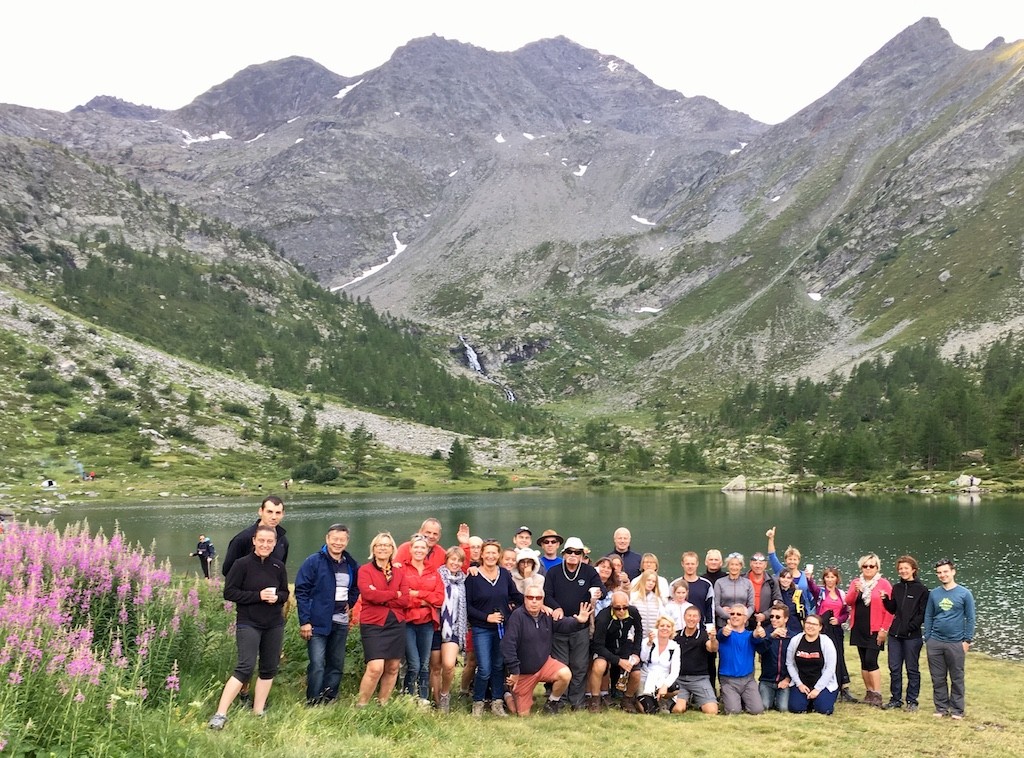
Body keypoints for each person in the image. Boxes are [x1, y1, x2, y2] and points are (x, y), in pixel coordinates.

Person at [207, 525, 289, 730]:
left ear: (274, 543)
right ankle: (220, 714)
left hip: (274, 623)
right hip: (249, 622)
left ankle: (258, 711)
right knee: (245, 666)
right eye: (261, 540)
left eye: (269, 541)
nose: (265, 545)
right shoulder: (241, 564)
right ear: (254, 541)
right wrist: (258, 596)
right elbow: (230, 593)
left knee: (269, 667)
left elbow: (285, 593)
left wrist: (277, 597)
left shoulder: (278, 566)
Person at [501, 577, 592, 716]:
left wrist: (577, 621)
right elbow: (508, 645)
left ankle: (552, 702)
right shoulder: (517, 616)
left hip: (544, 664)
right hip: (523, 672)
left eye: (538, 598)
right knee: (520, 714)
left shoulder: (547, 615)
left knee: (565, 674)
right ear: (524, 598)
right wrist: (514, 671)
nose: (534, 601)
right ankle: (507, 693)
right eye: (530, 597)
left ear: (542, 600)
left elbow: (562, 624)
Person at [294, 523, 360, 705]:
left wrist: (351, 602)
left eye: (342, 539)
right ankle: (313, 700)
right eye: (335, 539)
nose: (338, 543)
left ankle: (329, 698)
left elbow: (356, 587)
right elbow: (301, 591)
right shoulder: (314, 561)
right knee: (317, 664)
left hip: (341, 621)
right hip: (317, 622)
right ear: (327, 539)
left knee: (336, 663)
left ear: (347, 541)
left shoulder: (351, 564)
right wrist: (305, 621)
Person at [544, 537, 603, 710]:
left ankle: (577, 701)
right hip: (560, 626)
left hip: (581, 626)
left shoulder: (589, 572)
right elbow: (547, 594)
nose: (572, 555)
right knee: (561, 665)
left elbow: (602, 590)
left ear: (582, 555)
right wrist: (556, 607)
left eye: (577, 552)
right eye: (569, 552)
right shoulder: (554, 572)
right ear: (563, 554)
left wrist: (596, 594)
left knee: (579, 665)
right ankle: (559, 700)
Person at [465, 540, 523, 717]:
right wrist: (486, 617)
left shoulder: (504, 574)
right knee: (484, 668)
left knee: (498, 665)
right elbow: (467, 606)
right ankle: (478, 702)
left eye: (494, 553)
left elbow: (515, 596)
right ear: (481, 554)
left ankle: (497, 702)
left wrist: (533, 602)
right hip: (481, 628)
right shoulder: (473, 577)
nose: (490, 556)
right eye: (487, 553)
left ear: (499, 556)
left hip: (501, 628)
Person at [356, 532, 409, 707]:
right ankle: (361, 705)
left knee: (393, 666)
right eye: (379, 545)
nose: (383, 548)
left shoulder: (399, 571)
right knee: (375, 667)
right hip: (373, 623)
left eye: (387, 545)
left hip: (396, 623)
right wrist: (395, 594)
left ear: (392, 549)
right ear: (373, 548)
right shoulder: (365, 570)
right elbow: (369, 594)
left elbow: (405, 599)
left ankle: (383, 704)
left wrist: (382, 595)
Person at [924, 558, 975, 720]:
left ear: (953, 572)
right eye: (939, 573)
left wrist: (967, 640)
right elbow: (929, 616)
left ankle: (957, 710)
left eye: (945, 571)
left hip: (956, 642)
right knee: (938, 677)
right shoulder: (934, 594)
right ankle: (941, 708)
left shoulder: (964, 594)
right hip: (935, 642)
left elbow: (971, 618)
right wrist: (928, 637)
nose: (942, 575)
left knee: (957, 677)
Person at [844, 552, 894, 707]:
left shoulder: (884, 584)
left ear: (877, 568)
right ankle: (869, 692)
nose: (868, 568)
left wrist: (884, 629)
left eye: (871, 566)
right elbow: (849, 601)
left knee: (872, 660)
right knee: (864, 661)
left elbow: (890, 609)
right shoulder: (856, 583)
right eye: (865, 566)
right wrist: (855, 591)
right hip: (859, 627)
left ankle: (877, 693)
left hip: (875, 629)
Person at [882, 555, 929, 711]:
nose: (903, 571)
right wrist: (885, 601)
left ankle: (912, 700)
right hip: (895, 635)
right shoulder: (897, 588)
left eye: (906, 568)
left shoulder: (922, 590)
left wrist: (910, 626)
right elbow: (893, 609)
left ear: (913, 570)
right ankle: (895, 699)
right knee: (894, 668)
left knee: (912, 669)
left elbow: (922, 614)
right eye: (900, 569)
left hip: (912, 637)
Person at [401, 534, 444, 704]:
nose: (419, 550)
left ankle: (424, 698)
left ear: (427, 550)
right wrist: (426, 599)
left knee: (425, 664)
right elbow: (402, 597)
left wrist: (417, 594)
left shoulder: (433, 571)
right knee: (414, 664)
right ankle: (409, 697)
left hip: (427, 621)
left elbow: (440, 599)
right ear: (410, 549)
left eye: (423, 548)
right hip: (408, 621)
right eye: (416, 547)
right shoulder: (402, 570)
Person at [587, 590, 644, 712]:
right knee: (599, 665)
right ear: (612, 606)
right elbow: (598, 645)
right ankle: (595, 699)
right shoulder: (603, 617)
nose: (622, 611)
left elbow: (639, 632)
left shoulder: (633, 612)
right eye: (618, 608)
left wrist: (636, 653)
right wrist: (618, 661)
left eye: (625, 607)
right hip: (605, 646)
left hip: (624, 645)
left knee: (636, 673)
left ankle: (627, 700)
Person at [815, 566, 856, 703]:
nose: (830, 580)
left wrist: (839, 620)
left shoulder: (841, 594)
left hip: (836, 629)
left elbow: (846, 613)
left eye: (833, 577)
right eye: (827, 577)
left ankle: (843, 687)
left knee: (839, 656)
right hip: (823, 630)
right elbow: (811, 588)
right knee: (824, 657)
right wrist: (808, 578)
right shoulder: (821, 592)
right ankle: (823, 685)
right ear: (824, 579)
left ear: (837, 579)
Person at [716, 604, 766, 715]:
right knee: (734, 712)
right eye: (732, 614)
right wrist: (724, 631)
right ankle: (727, 697)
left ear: (745, 619)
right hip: (728, 681)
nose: (735, 616)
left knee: (757, 710)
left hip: (748, 680)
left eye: (739, 614)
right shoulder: (724, 633)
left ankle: (741, 699)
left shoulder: (749, 635)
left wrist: (758, 634)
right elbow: (721, 635)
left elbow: (755, 638)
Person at [221, 495, 288, 577]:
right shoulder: (242, 539)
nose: (274, 517)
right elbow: (228, 571)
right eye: (269, 512)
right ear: (260, 511)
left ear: (283, 514)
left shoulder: (283, 541)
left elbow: (280, 570)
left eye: (278, 513)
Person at [786, 614, 839, 715]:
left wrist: (817, 689)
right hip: (802, 683)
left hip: (823, 684)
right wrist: (799, 684)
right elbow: (789, 663)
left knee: (824, 710)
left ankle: (819, 699)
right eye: (808, 623)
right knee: (796, 708)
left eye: (814, 624)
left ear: (820, 627)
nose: (810, 626)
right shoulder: (795, 640)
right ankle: (807, 701)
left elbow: (830, 668)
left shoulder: (826, 642)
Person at [437, 546, 468, 713]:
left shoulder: (463, 581)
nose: (455, 563)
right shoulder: (437, 576)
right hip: (436, 626)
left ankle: (444, 695)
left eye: (459, 560)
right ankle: (429, 698)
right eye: (453, 559)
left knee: (448, 665)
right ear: (446, 559)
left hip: (454, 628)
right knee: (434, 666)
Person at [671, 605, 719, 715]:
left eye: (694, 616)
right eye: (689, 616)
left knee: (712, 711)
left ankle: (696, 699)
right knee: (678, 710)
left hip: (699, 679)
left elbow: (713, 648)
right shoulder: (676, 635)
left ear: (699, 619)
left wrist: (713, 639)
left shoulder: (703, 635)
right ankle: (686, 700)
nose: (691, 619)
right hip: (680, 679)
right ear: (684, 617)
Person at [766, 526, 816, 612]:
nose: (792, 562)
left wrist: (810, 580)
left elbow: (811, 595)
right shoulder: (780, 571)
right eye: (789, 559)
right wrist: (771, 539)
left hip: (801, 612)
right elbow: (772, 556)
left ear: (799, 561)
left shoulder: (804, 575)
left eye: (794, 559)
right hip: (782, 611)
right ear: (785, 560)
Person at [638, 616, 680, 712]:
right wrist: (649, 644)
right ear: (657, 628)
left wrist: (665, 686)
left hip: (663, 679)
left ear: (672, 629)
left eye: (668, 626)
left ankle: (663, 700)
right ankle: (644, 699)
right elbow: (643, 658)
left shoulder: (674, 647)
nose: (665, 628)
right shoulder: (647, 641)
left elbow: (675, 672)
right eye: (662, 626)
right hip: (646, 678)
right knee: (649, 710)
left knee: (674, 687)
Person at [756, 602, 793, 712]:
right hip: (767, 680)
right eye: (771, 616)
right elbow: (760, 649)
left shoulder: (793, 637)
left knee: (783, 708)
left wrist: (787, 679)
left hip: (784, 681)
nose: (773, 619)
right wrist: (771, 637)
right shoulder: (765, 633)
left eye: (778, 617)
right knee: (764, 706)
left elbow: (796, 662)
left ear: (786, 619)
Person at [714, 553, 754, 628]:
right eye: (731, 564)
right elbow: (716, 605)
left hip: (743, 625)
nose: (734, 567)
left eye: (737, 565)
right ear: (728, 566)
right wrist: (730, 616)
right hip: (724, 624)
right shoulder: (719, 582)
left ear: (741, 566)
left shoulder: (748, 583)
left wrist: (743, 617)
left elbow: (751, 606)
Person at [674, 551, 714, 627]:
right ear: (682, 564)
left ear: (697, 564)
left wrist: (710, 627)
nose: (690, 566)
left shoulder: (706, 584)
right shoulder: (675, 584)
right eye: (687, 564)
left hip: (700, 629)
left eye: (692, 564)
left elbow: (710, 609)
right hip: (679, 629)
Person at [630, 569, 668, 640]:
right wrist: (630, 635)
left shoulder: (657, 600)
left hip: (652, 640)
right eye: (648, 580)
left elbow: (662, 618)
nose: (651, 583)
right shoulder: (633, 597)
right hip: (635, 639)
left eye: (653, 581)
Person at [747, 551, 780, 630]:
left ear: (765, 565)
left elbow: (779, 601)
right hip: (746, 621)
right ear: (750, 564)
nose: (758, 566)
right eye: (755, 563)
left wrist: (765, 615)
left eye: (760, 563)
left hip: (766, 622)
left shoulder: (772, 581)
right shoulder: (743, 579)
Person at [776, 568, 808, 635]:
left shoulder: (797, 593)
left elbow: (804, 613)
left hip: (795, 627)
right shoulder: (775, 592)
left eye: (788, 578)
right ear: (779, 578)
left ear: (792, 579)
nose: (785, 580)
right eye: (783, 577)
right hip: (778, 626)